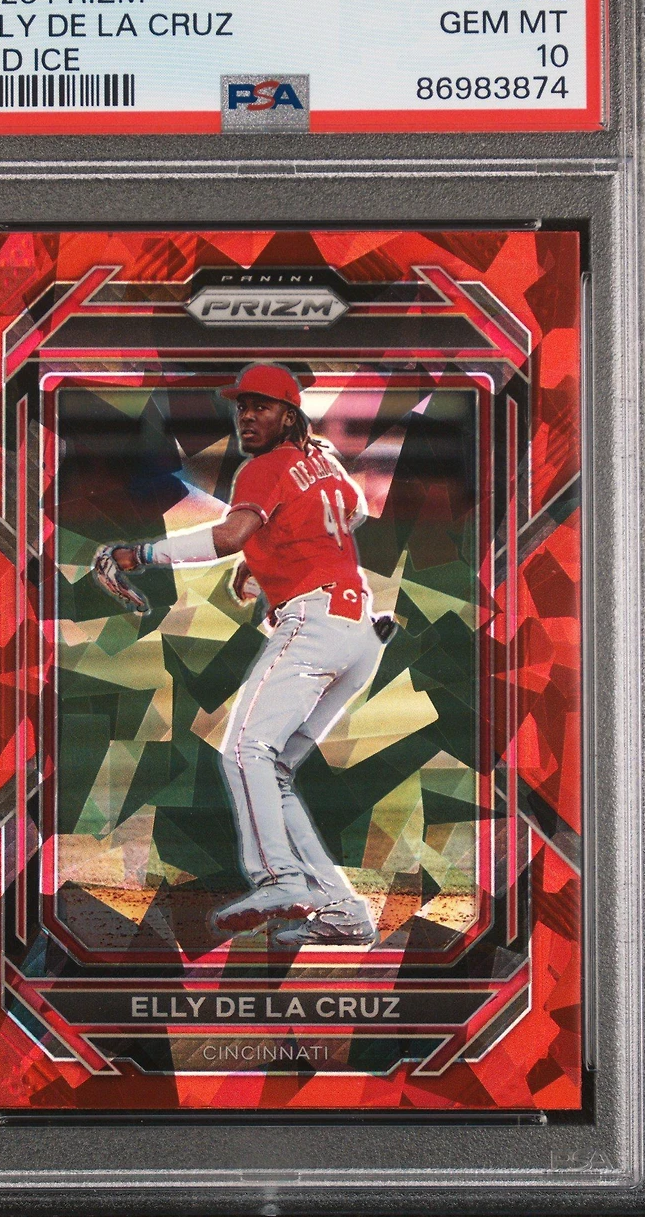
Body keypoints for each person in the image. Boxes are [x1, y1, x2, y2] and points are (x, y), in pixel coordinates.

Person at [113, 364, 391, 947]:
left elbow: (227, 535)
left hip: (315, 624)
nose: (246, 415)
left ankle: (279, 880)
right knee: (275, 769)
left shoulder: (265, 467)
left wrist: (142, 553)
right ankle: (344, 910)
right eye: (241, 406)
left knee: (245, 751)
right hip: (360, 631)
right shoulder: (324, 461)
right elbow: (351, 515)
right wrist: (267, 557)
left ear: (289, 415)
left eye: (261, 406)